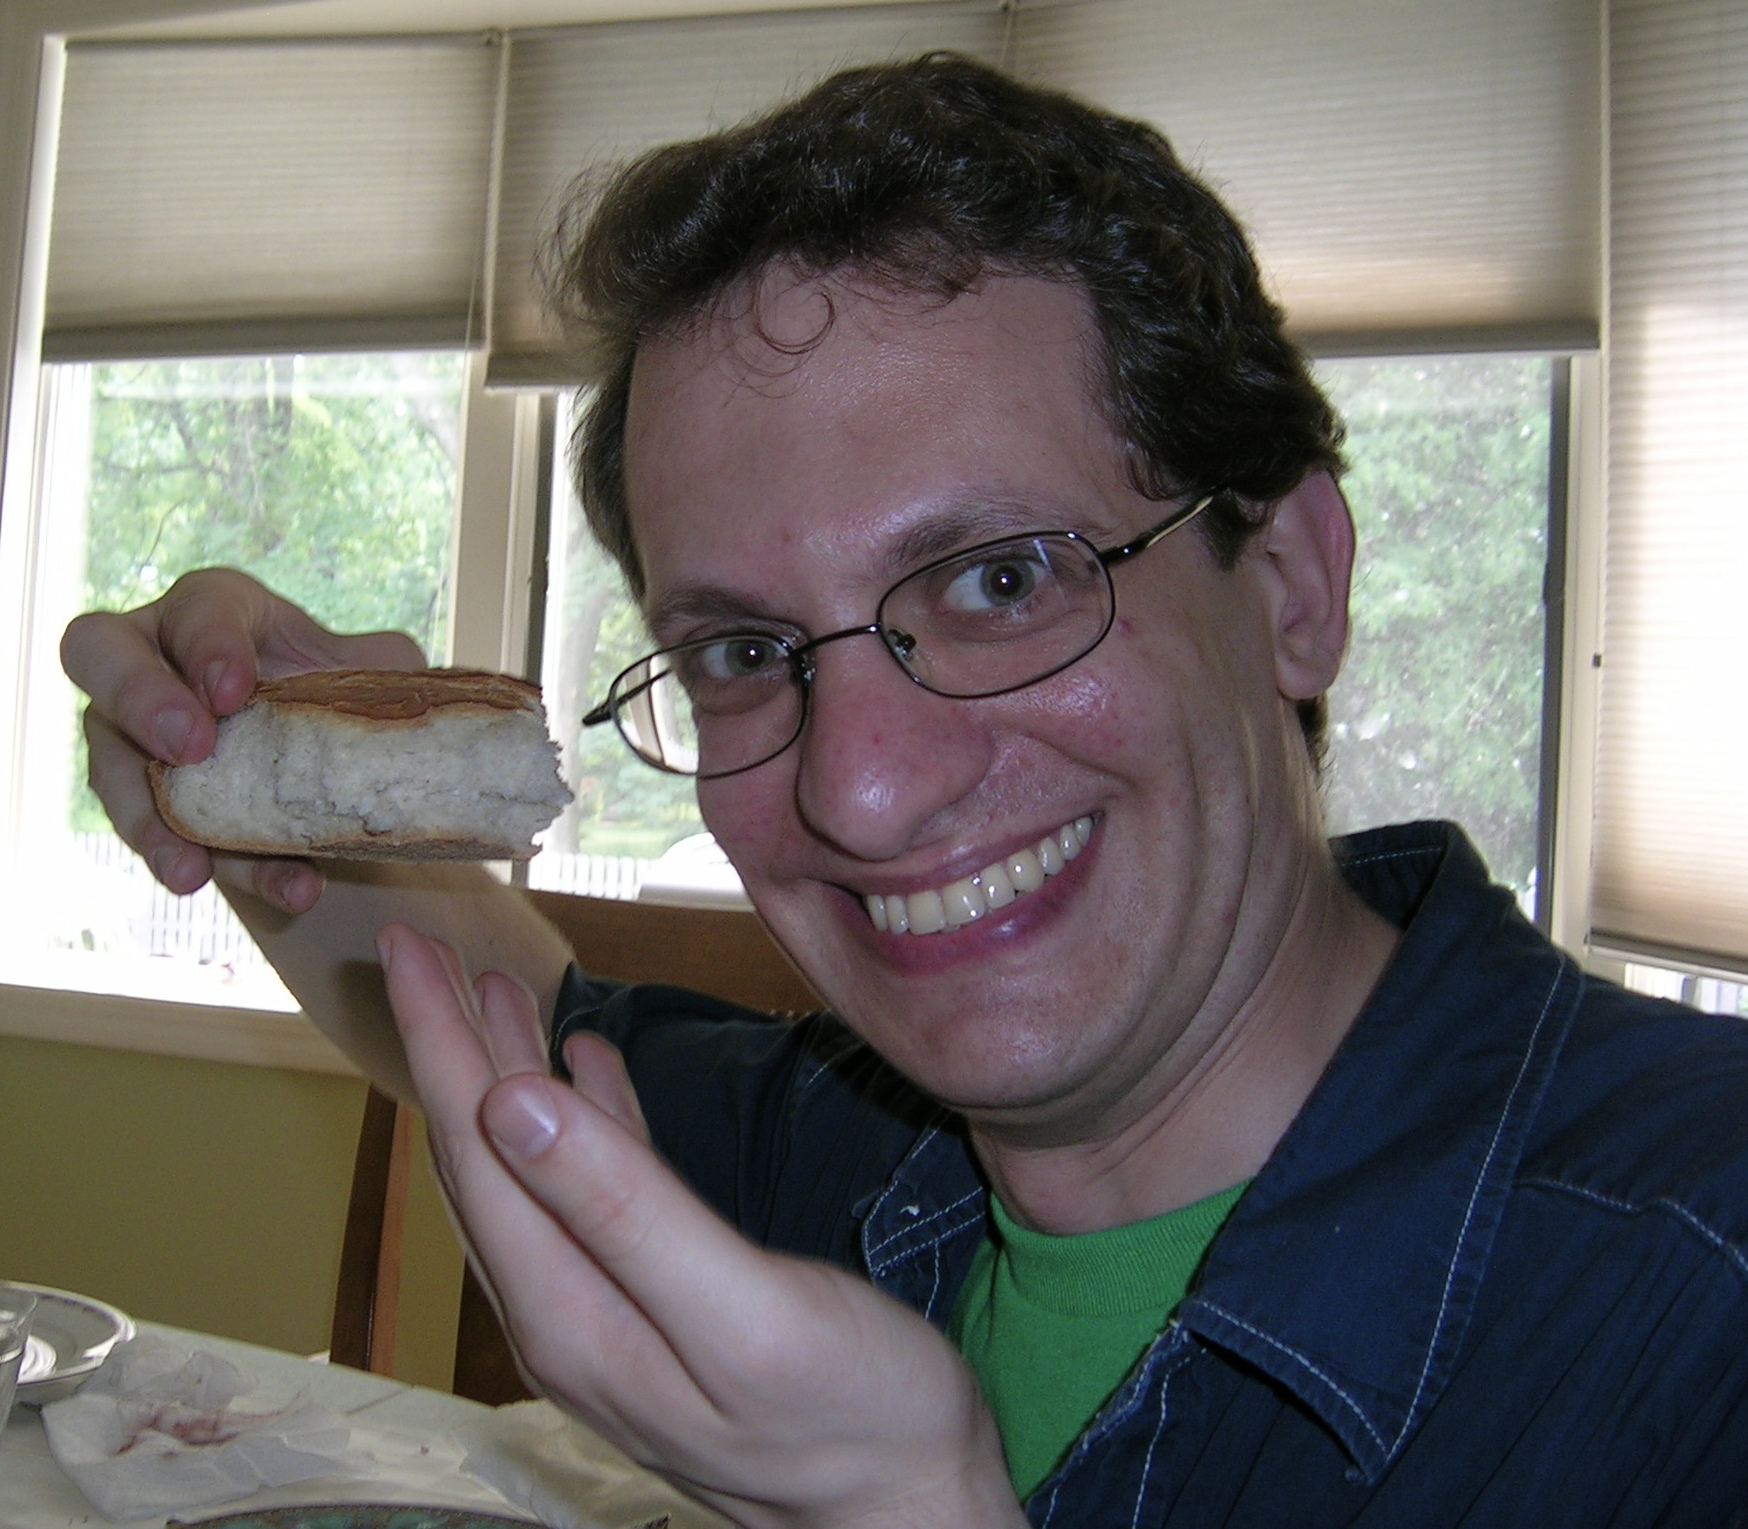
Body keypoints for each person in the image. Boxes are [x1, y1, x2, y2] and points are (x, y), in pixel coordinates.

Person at [61, 54, 1748, 1529]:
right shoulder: (857, 1149)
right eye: (743, 651)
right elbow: (526, 1017)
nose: (861, 791)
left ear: (1293, 583)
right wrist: (259, 769)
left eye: (1003, 579)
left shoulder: (1698, 1293)